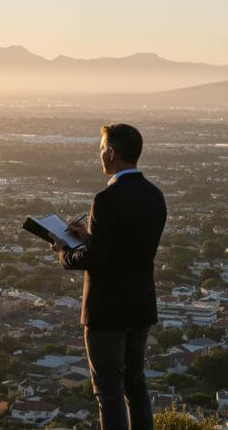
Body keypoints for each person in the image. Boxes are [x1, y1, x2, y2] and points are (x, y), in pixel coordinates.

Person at [49, 123, 166, 430]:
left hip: (106, 312)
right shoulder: (155, 196)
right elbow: (124, 249)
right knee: (136, 386)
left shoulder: (106, 199)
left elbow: (97, 259)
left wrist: (63, 251)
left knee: (109, 393)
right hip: (140, 305)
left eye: (101, 148)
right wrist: (89, 236)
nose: (100, 154)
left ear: (112, 153)